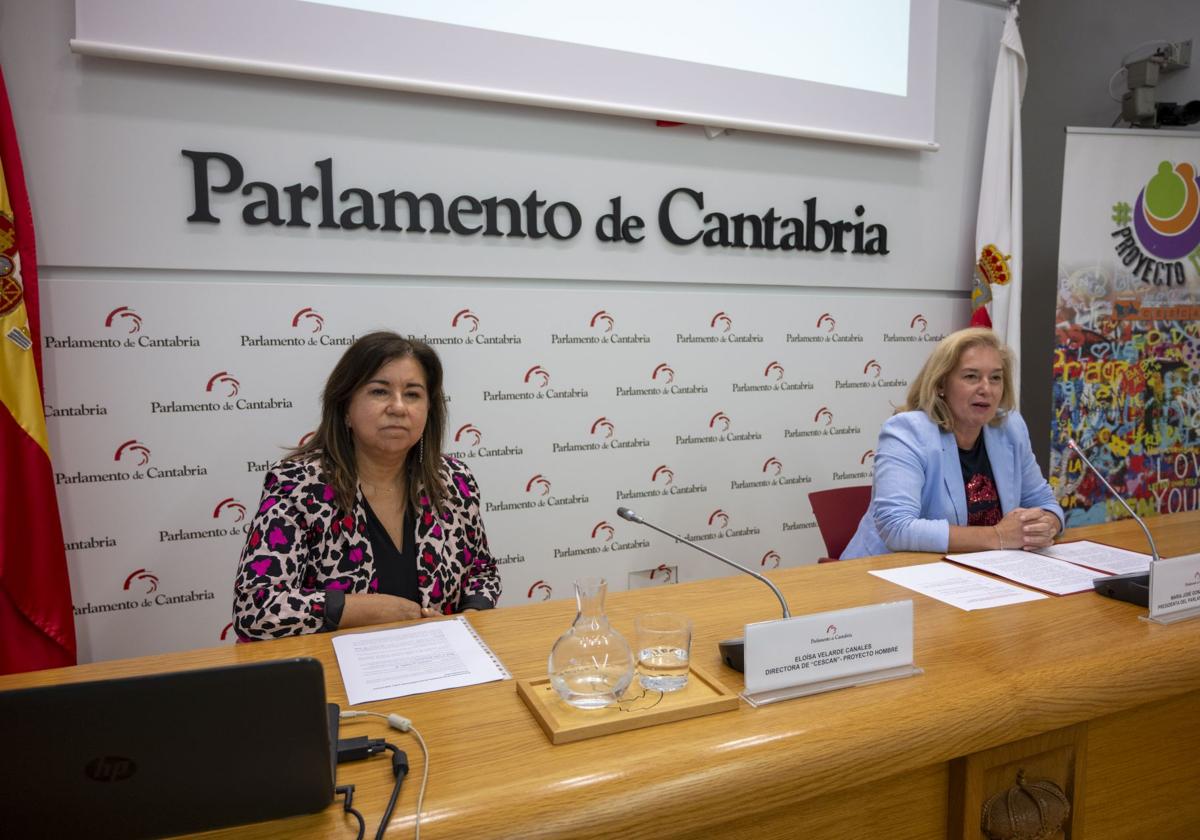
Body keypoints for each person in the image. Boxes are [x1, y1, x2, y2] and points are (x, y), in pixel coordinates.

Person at [233, 331, 500, 640]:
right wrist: (368, 610)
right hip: (335, 673)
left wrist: (467, 622)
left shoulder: (453, 481)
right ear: (346, 407)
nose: (399, 407)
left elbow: (482, 573)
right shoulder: (299, 485)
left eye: (412, 394)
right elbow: (256, 607)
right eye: (379, 392)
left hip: (440, 665)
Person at [841, 327, 1063, 560]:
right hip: (885, 574)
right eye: (971, 376)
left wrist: (1047, 525)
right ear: (940, 385)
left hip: (975, 572)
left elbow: (1044, 501)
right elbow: (897, 527)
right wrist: (997, 535)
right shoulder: (907, 432)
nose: (986, 389)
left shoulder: (1010, 427)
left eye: (995, 378)